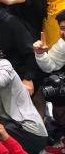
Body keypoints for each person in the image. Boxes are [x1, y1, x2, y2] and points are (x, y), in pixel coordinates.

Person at [33, 10, 65, 153]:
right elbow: (50, 65)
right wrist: (40, 54)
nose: (64, 33)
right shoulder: (62, 44)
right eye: (63, 28)